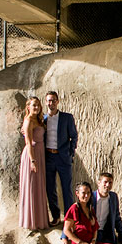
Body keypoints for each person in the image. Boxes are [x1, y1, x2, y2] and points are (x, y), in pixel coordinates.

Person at [60, 172, 122, 244]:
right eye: (105, 182)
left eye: (110, 182)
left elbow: (117, 218)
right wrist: (64, 237)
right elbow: (71, 216)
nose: (108, 185)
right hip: (91, 235)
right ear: (99, 183)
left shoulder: (113, 197)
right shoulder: (89, 196)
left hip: (107, 234)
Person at [43, 91, 78, 226]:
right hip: (48, 157)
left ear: (57, 102)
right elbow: (32, 131)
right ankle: (56, 216)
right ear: (46, 102)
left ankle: (70, 219)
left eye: (53, 100)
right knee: (50, 188)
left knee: (66, 189)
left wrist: (70, 153)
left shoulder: (67, 118)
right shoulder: (43, 119)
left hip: (63, 157)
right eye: (48, 101)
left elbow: (73, 136)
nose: (50, 103)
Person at [19, 96, 49, 230]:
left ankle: (40, 219)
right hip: (32, 154)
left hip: (40, 153)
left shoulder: (39, 120)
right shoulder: (28, 121)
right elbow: (28, 143)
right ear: (28, 107)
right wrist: (32, 160)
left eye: (38, 105)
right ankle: (30, 221)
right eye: (33, 105)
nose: (36, 107)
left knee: (39, 185)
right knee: (32, 185)